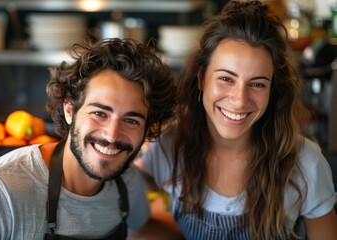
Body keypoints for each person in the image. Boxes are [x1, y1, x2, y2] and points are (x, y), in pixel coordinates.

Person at [137, 1, 337, 239]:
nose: (240, 100)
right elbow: (131, 191)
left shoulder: (305, 163)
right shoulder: (170, 147)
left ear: (272, 90)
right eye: (226, 79)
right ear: (201, 80)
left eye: (257, 84)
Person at [0, 38, 178, 240]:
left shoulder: (127, 183)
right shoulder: (0, 189)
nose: (112, 135)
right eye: (99, 113)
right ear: (69, 110)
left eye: (131, 120)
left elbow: (144, 227)